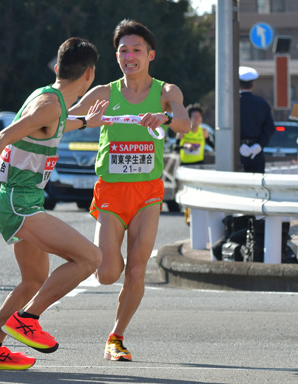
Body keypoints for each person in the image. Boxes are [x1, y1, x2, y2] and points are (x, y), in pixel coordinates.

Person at [0, 37, 106, 370]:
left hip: (22, 200)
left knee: (33, 280)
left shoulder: (49, 100)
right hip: (20, 203)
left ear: (58, 68)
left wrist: (87, 122)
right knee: (90, 257)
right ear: (90, 75)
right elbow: (0, 137)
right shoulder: (51, 104)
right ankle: (28, 319)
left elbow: (53, 125)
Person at [68, 19, 190, 362]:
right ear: (117, 56)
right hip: (110, 192)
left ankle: (116, 337)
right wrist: (84, 122)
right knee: (108, 273)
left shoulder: (167, 93)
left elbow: (185, 122)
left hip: (148, 192)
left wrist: (164, 118)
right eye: (123, 50)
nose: (129, 55)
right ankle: (108, 259)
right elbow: (60, 119)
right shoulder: (103, 94)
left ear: (150, 55)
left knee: (137, 270)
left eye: (137, 49)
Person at [238, 66, 275, 173]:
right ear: (253, 85)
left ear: (238, 84)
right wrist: (259, 145)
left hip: (236, 153)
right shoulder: (262, 104)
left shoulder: (232, 103)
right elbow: (270, 128)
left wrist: (239, 145)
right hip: (257, 154)